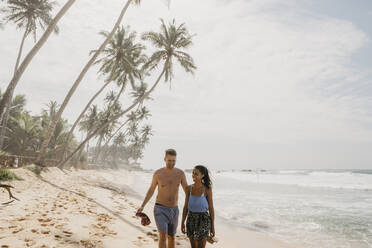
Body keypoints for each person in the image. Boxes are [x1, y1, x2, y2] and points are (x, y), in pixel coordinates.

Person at [137, 148, 188, 248]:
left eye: (174, 160)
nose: (171, 163)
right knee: (163, 236)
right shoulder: (158, 174)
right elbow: (151, 190)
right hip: (160, 209)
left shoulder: (180, 174)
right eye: (169, 160)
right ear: (164, 159)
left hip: (174, 210)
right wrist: (142, 206)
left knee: (172, 237)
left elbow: (187, 191)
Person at [181, 165, 215, 248]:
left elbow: (211, 208)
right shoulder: (189, 188)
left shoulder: (207, 189)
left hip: (203, 220)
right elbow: (185, 207)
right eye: (193, 173)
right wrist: (182, 222)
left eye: (196, 174)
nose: (193, 175)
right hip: (191, 218)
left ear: (202, 175)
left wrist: (212, 226)